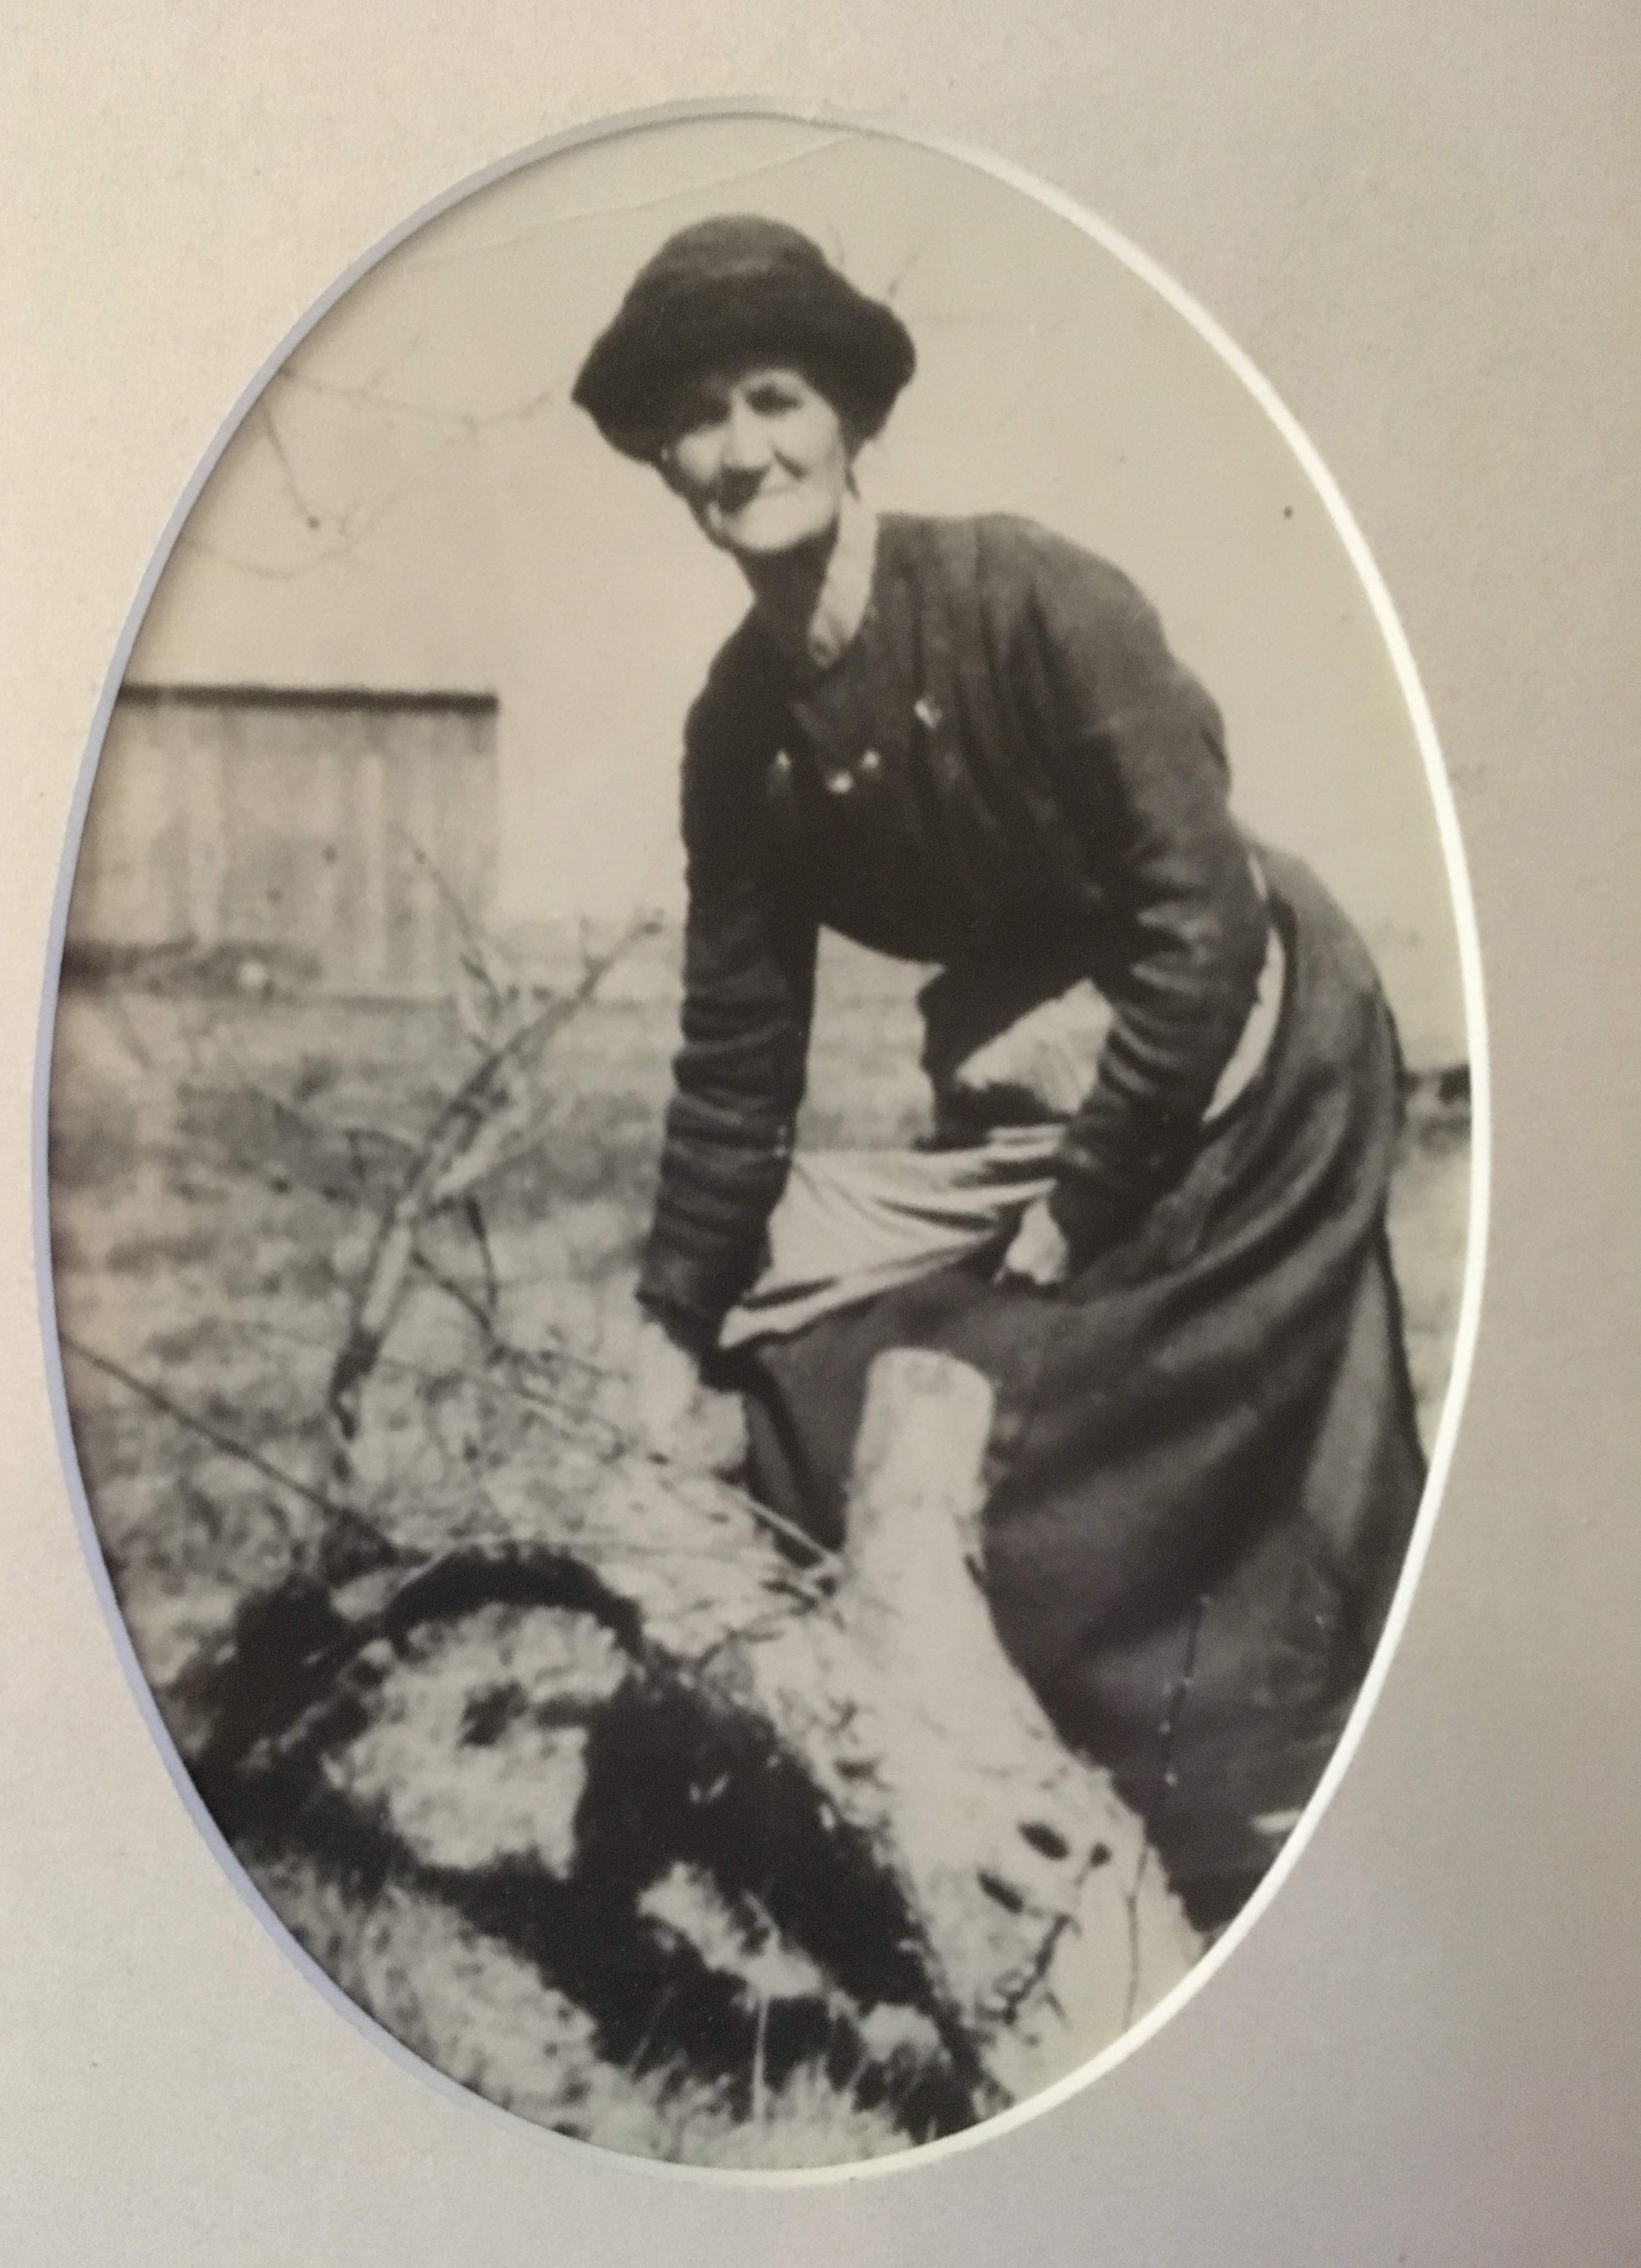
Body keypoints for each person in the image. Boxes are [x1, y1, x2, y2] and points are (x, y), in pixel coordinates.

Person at [572, 215, 1426, 1930]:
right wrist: (671, 1320)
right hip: (1044, 1080)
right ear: (660, 458)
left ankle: (1231, 1816)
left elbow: (1202, 924)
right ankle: (926, 1761)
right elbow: (742, 1056)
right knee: (787, 1347)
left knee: (1105, 1385)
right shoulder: (737, 730)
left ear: (851, 419)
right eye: (699, 420)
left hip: (1251, 1037)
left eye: (774, 398)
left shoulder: (1034, 595)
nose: (742, 452)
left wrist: (1081, 1205)